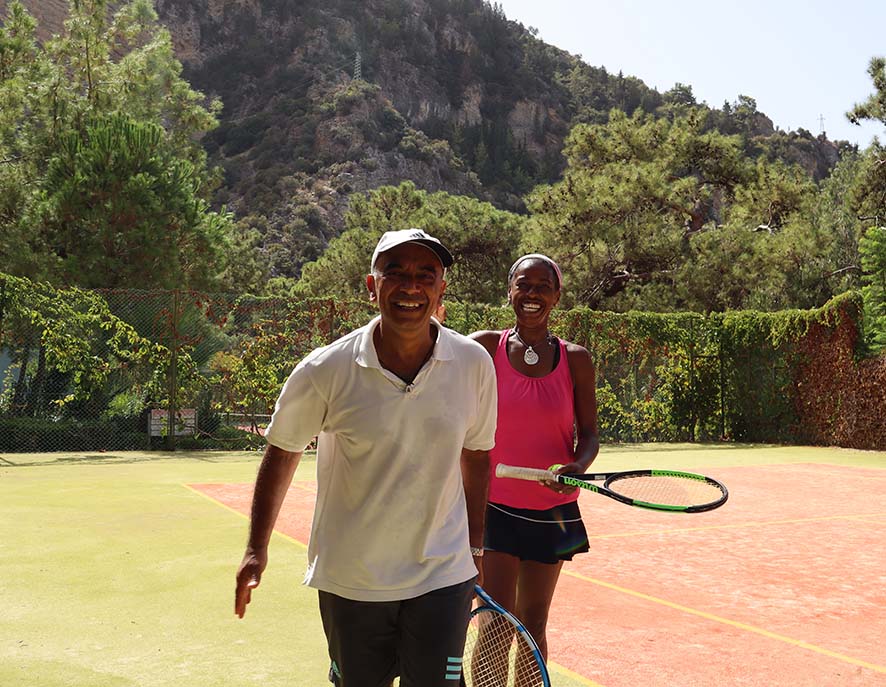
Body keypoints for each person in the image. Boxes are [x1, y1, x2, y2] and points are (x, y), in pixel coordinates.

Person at [235, 229, 498, 687]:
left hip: (442, 576)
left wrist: (474, 549)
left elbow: (477, 455)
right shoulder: (325, 370)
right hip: (352, 580)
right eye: (395, 273)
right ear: (372, 286)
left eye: (425, 275)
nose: (410, 287)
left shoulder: (473, 363)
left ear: (441, 291)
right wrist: (256, 550)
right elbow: (283, 453)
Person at [469, 253, 599, 663]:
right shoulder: (483, 347)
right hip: (494, 508)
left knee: (532, 624)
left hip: (553, 513)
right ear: (510, 291)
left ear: (557, 297)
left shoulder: (575, 358)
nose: (532, 294)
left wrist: (576, 468)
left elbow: (591, 435)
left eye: (543, 287)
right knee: (496, 622)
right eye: (524, 285)